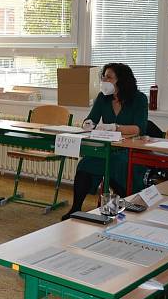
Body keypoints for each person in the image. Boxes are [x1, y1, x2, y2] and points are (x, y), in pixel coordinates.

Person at [62, 63, 148, 220]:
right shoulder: (103, 98)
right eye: (103, 77)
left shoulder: (139, 99)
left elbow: (139, 129)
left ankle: (124, 206)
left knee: (117, 164)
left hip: (129, 149)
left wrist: (116, 127)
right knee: (85, 164)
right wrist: (88, 124)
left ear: (121, 80)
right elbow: (91, 120)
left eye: (109, 77)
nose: (104, 80)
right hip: (108, 147)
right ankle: (75, 208)